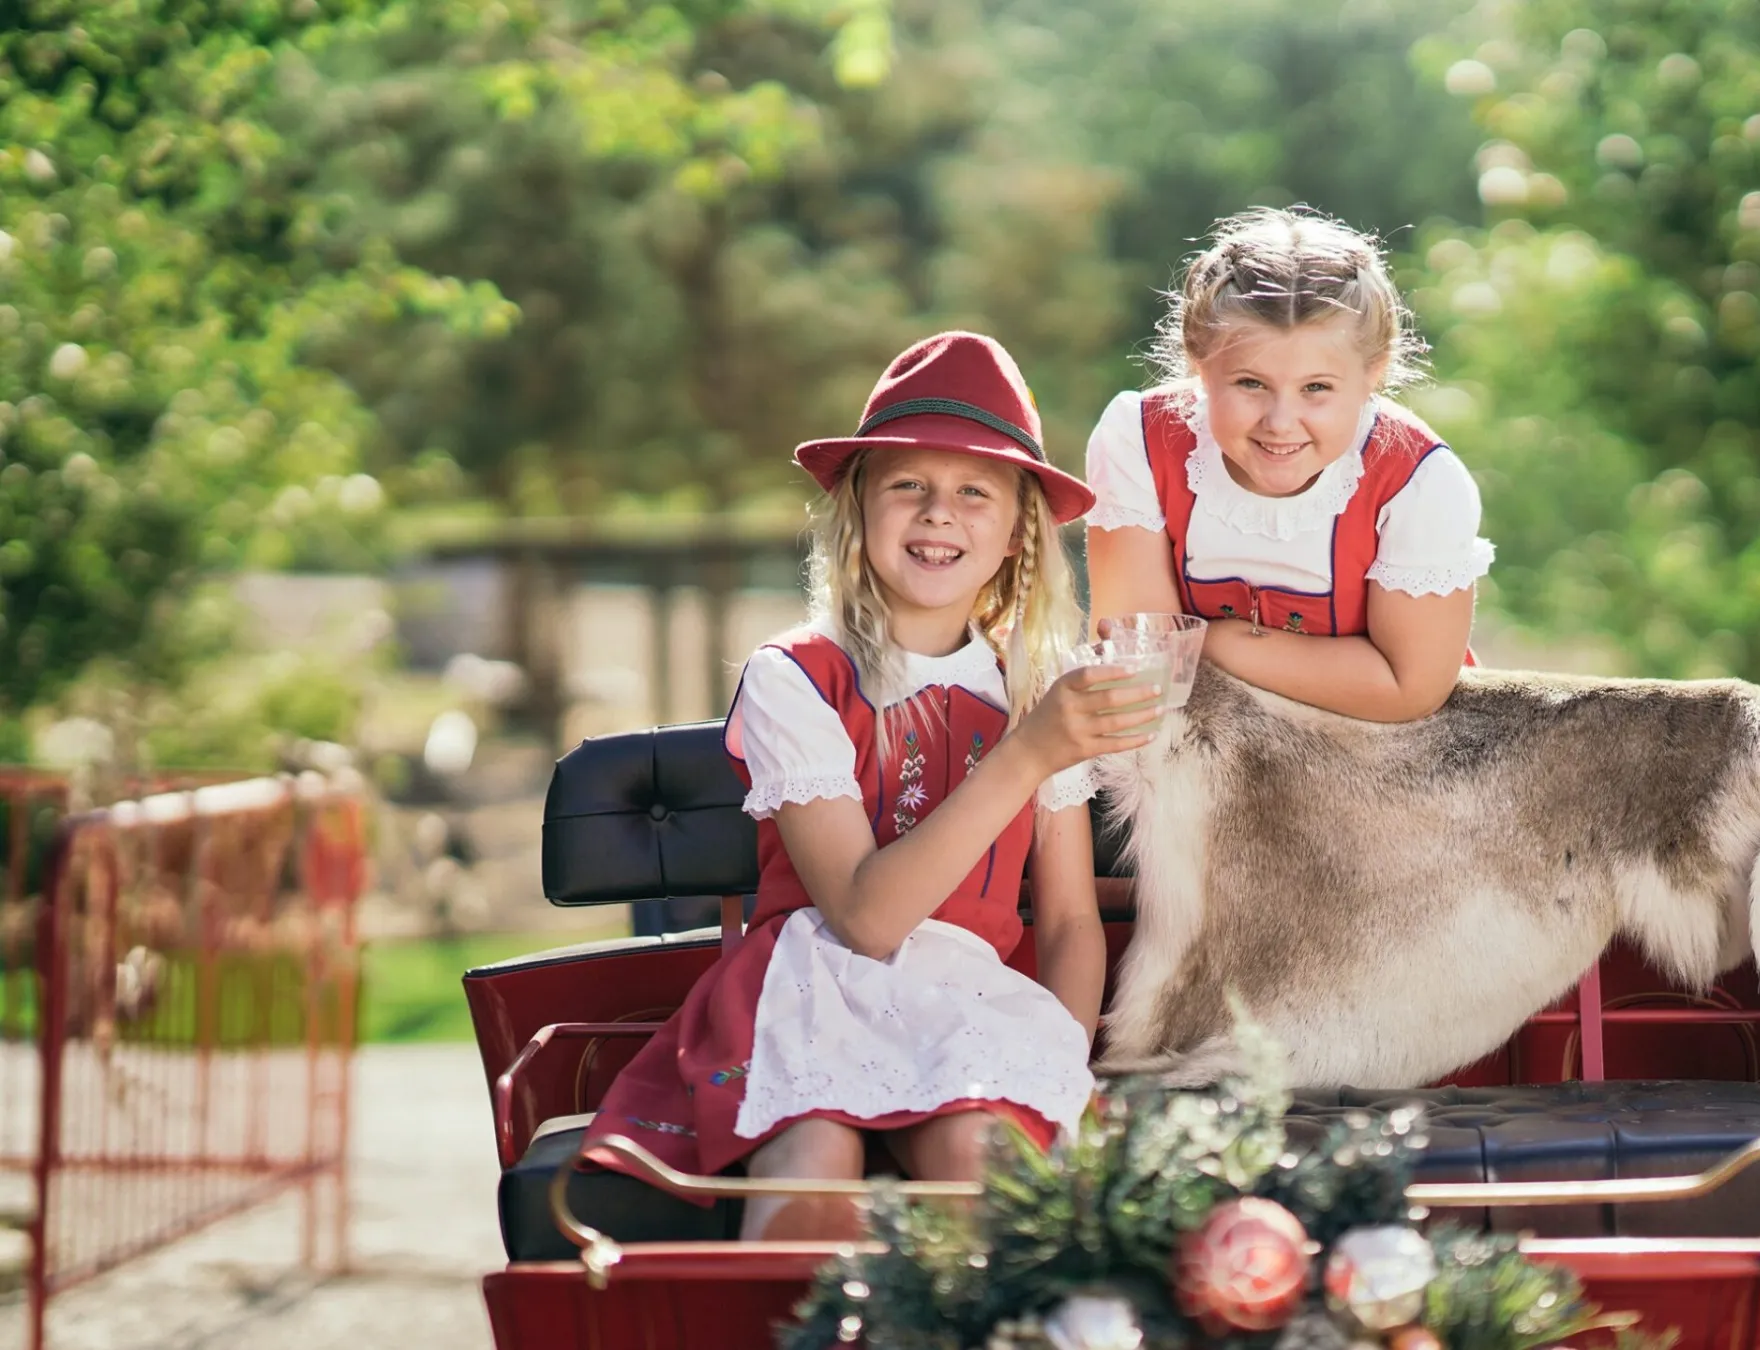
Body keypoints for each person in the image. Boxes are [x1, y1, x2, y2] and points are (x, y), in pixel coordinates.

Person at [582, 332, 1158, 1240]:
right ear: (858, 510)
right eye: (909, 487)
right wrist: (1027, 753)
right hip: (811, 986)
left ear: (1016, 536)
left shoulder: (1039, 690)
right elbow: (865, 919)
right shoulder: (796, 677)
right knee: (809, 1171)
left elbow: (1072, 922)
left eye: (976, 492)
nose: (940, 514)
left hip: (971, 1001)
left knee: (987, 1166)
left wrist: (1055, 1063)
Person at [1084, 207, 1492, 723]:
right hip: (1195, 759)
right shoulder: (1138, 440)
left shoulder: (1417, 480)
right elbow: (1143, 671)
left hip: (1388, 768)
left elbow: (1409, 689)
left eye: (1316, 389)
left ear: (1375, 372)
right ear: (1198, 362)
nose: (1281, 422)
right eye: (1250, 384)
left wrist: (1219, 642)